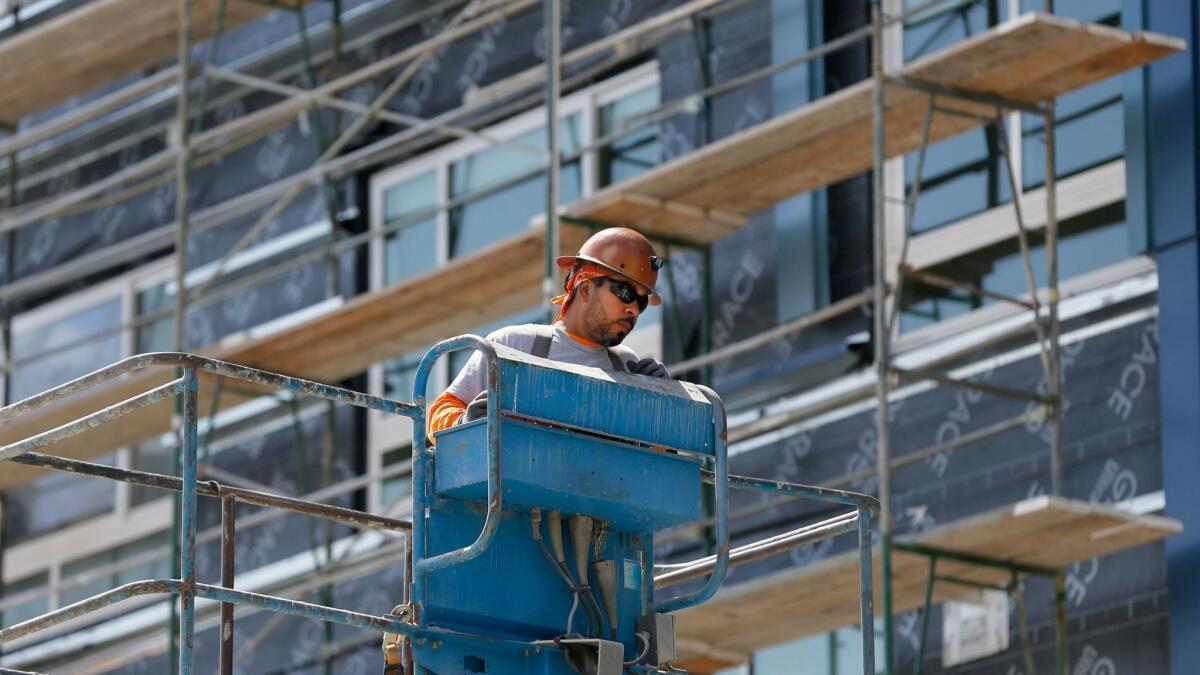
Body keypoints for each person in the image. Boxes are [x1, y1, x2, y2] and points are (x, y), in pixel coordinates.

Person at [427, 227, 671, 435]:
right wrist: (464, 424)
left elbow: (649, 454)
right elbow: (441, 410)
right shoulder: (515, 346)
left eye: (641, 301)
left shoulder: (626, 366)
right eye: (625, 292)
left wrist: (662, 406)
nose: (633, 310)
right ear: (585, 288)